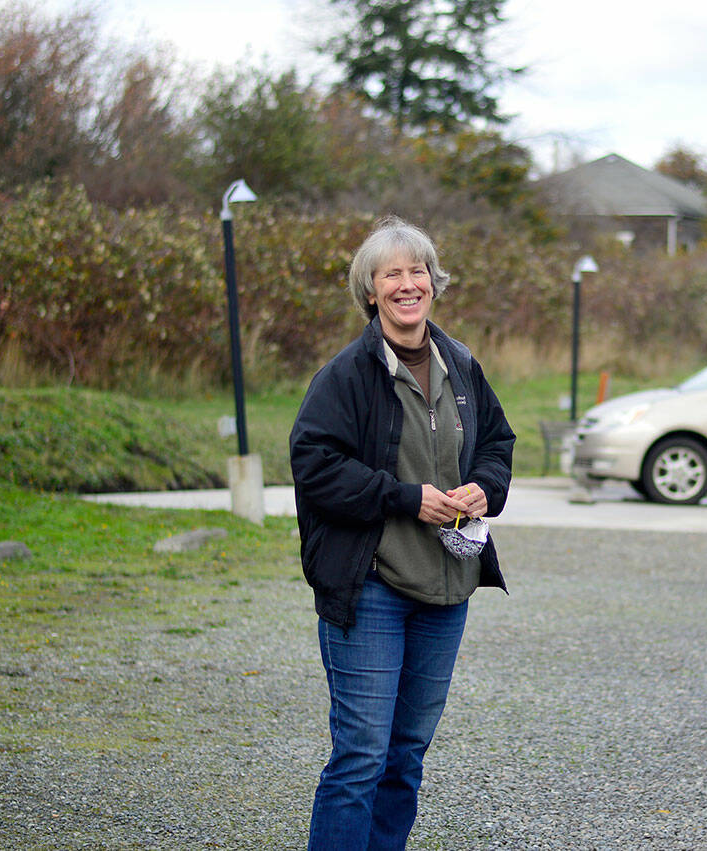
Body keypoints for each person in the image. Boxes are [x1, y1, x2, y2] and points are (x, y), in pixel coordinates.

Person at [290, 215, 515, 850]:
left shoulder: (461, 365)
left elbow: (498, 443)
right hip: (372, 588)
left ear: (434, 284)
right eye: (392, 274)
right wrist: (405, 498)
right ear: (371, 291)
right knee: (361, 756)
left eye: (418, 271)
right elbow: (314, 465)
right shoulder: (346, 375)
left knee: (406, 753)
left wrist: (485, 486)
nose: (407, 284)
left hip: (446, 591)